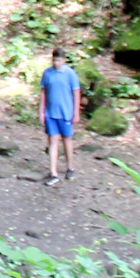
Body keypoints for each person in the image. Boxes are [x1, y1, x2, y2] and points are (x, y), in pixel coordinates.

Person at [38, 47, 81, 185]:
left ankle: (70, 167)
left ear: (64, 60)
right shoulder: (47, 73)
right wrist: (41, 111)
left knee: (67, 140)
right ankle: (53, 173)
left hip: (65, 113)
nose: (56, 63)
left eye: (59, 60)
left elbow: (76, 93)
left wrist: (76, 112)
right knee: (52, 141)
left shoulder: (70, 74)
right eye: (54, 60)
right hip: (51, 113)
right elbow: (43, 92)